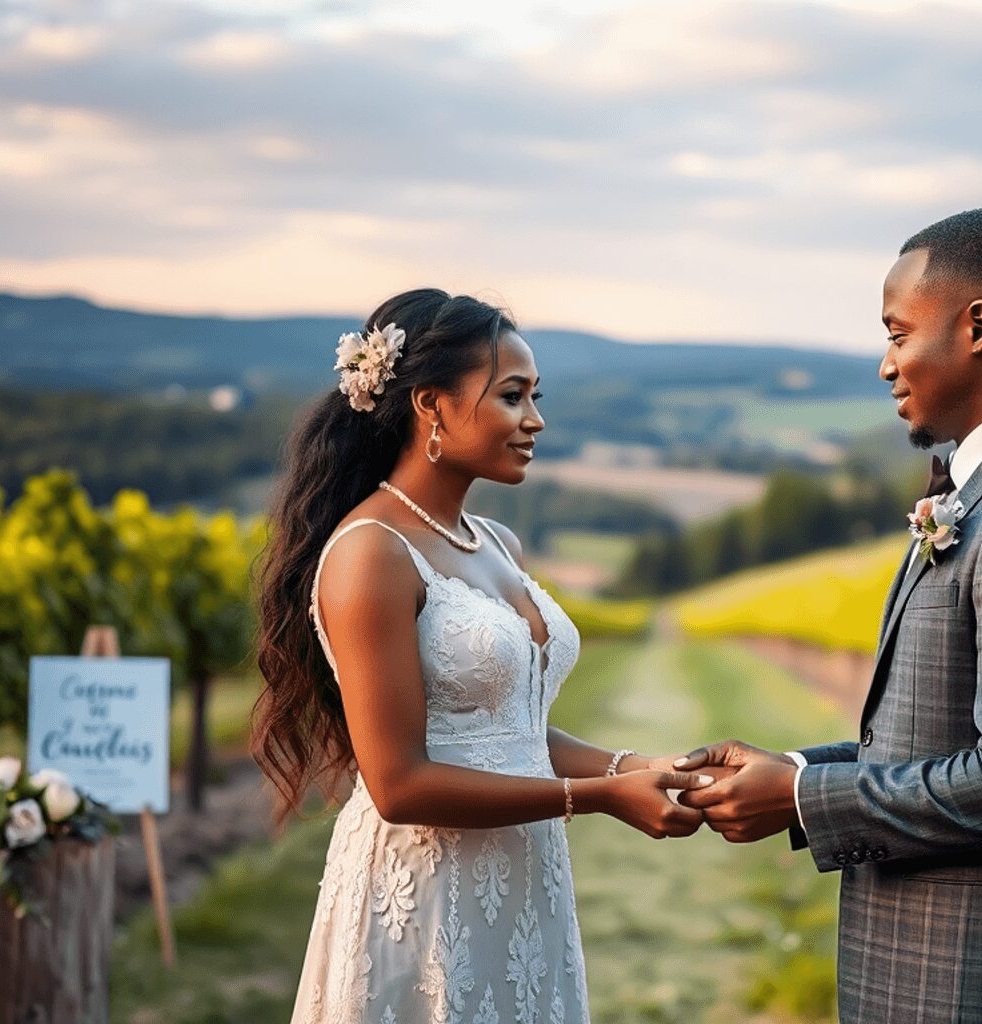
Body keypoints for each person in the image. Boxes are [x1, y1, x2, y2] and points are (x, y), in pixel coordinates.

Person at [680, 209, 982, 1023]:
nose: (885, 365)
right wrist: (794, 772)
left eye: (898, 334)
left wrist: (800, 802)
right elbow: (942, 741)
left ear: (976, 327)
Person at [252, 288, 713, 1024]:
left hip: (523, 881)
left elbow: (513, 731)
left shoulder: (497, 544)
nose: (535, 420)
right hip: (423, 891)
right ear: (431, 405)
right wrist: (596, 799)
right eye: (512, 396)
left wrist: (635, 768)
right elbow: (399, 783)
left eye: (535, 396)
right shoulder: (373, 553)